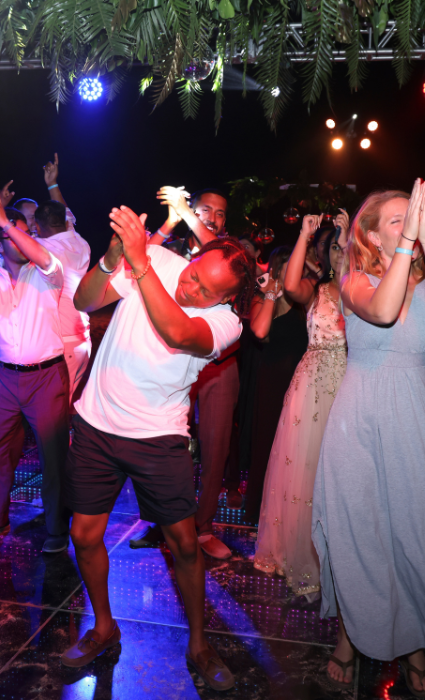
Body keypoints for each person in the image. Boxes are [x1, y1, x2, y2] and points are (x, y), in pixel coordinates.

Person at [62, 207, 252, 691]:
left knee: (185, 545)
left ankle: (198, 643)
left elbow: (177, 332)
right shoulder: (161, 261)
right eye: (192, 277)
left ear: (227, 298)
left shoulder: (227, 324)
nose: (190, 290)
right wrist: (112, 257)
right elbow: (86, 301)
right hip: (96, 425)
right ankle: (104, 627)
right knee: (84, 534)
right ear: (191, 258)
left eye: (206, 291)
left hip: (159, 437)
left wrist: (139, 262)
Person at [313, 181, 425, 696]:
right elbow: (381, 309)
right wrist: (404, 247)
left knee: (415, 534)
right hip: (358, 419)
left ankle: (416, 643)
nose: (408, 224)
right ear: (371, 235)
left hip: (411, 420)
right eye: (396, 219)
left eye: (412, 215)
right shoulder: (353, 281)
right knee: (357, 533)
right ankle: (351, 633)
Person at [131, 187, 238, 559]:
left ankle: (204, 528)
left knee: (214, 447)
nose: (213, 216)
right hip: (170, 360)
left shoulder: (234, 256)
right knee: (161, 442)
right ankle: (160, 523)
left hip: (217, 369)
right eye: (206, 209)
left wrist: (187, 212)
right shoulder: (171, 249)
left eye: (221, 213)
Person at [0, 187, 72, 553]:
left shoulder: (47, 270)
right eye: (6, 232)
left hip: (46, 377)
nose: (16, 236)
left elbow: (41, 257)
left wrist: (7, 226)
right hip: (6, 379)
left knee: (53, 457)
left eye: (21, 230)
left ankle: (57, 529)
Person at [252, 212, 348, 598]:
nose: (340, 254)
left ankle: (340, 560)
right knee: (303, 470)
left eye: (345, 247)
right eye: (334, 249)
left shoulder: (368, 291)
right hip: (311, 383)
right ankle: (301, 559)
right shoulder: (316, 289)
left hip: (351, 381)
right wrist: (305, 235)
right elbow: (289, 284)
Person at [234, 246, 309, 523]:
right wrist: (270, 293)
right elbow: (260, 331)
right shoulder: (264, 299)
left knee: (298, 450)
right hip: (272, 381)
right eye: (288, 268)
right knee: (268, 444)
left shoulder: (307, 301)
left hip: (303, 383)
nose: (295, 274)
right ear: (276, 271)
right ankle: (261, 511)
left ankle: (292, 513)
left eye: (298, 267)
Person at [36, 157, 94, 403]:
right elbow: (65, 215)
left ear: (38, 227)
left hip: (63, 343)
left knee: (56, 409)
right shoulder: (79, 242)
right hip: (81, 338)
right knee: (61, 403)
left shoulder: (42, 248)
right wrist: (52, 185)